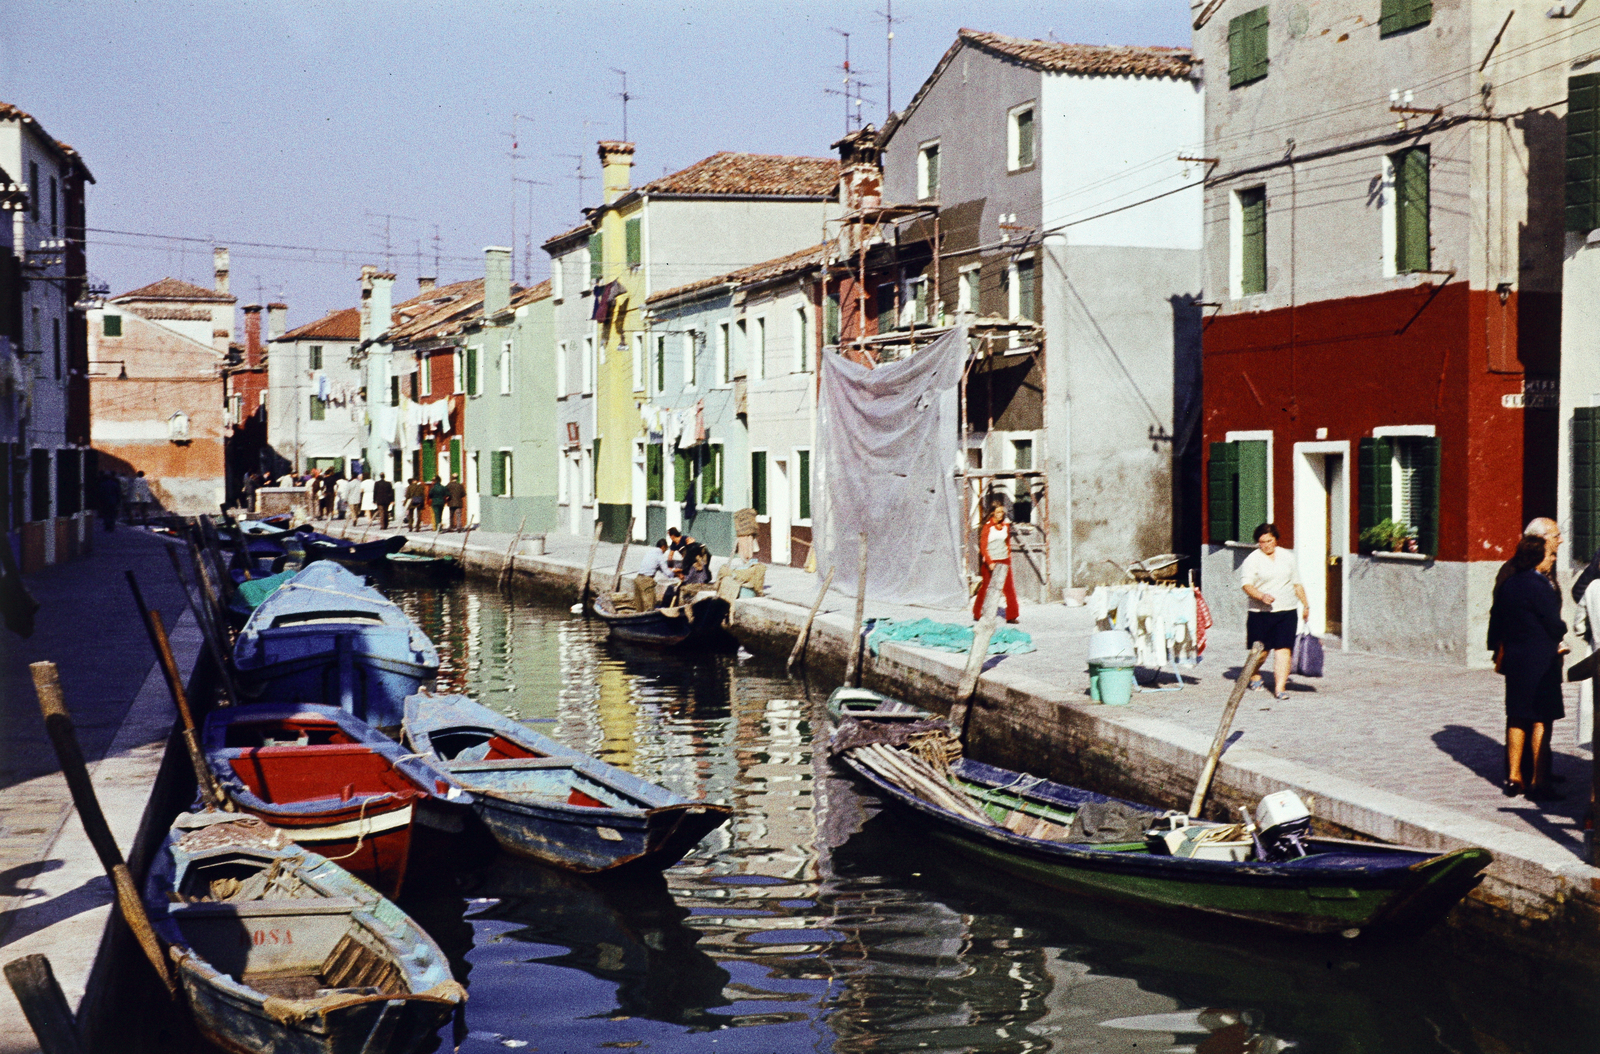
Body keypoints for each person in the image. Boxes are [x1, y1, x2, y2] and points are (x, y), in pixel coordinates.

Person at [1490, 534, 1568, 799]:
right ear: (1538, 557)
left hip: (1515, 658)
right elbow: (1554, 624)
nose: (1553, 560)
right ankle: (1539, 781)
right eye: (1550, 555)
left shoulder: (1510, 584)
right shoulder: (1540, 586)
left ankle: (1513, 776)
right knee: (1540, 720)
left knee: (1516, 715)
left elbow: (1497, 620)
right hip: (1540, 659)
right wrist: (1562, 631)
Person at [1238, 522, 1310, 700]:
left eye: (1269, 541)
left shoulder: (1287, 557)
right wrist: (1261, 596)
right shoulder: (1253, 560)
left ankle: (1280, 688)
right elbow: (1246, 585)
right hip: (1260, 612)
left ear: (1276, 539)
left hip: (1287, 610)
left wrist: (1306, 605)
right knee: (1261, 653)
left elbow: (1297, 583)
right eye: (1262, 542)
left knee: (1283, 649)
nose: (1266, 545)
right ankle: (1254, 674)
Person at [973, 501, 1020, 624]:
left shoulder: (1005, 526)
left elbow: (1007, 543)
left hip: (1004, 560)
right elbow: (983, 547)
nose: (1000, 514)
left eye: (1002, 512)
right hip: (992, 561)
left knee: (1008, 588)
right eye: (998, 512)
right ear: (993, 512)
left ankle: (1012, 615)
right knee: (986, 588)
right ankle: (977, 613)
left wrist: (1008, 556)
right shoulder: (987, 527)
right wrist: (989, 562)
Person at [635, 538, 674, 609]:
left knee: (639, 606)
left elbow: (658, 567)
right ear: (663, 547)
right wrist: (675, 573)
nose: (665, 551)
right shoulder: (660, 555)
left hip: (637, 579)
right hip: (646, 581)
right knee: (650, 605)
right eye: (666, 549)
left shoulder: (650, 552)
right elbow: (667, 572)